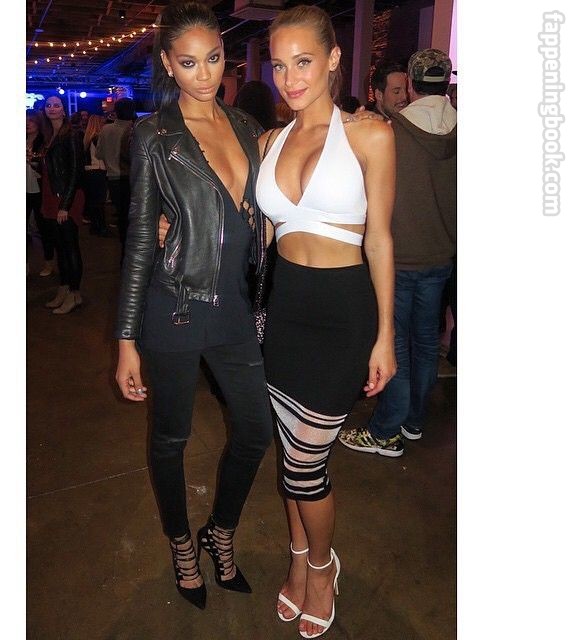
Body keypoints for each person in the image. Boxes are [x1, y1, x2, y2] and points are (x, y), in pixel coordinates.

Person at [114, 1, 273, 612]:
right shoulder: (154, 135)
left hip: (233, 308)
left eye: (213, 58)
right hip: (174, 307)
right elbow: (138, 238)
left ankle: (220, 531)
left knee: (254, 430)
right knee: (171, 437)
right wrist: (126, 339)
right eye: (189, 63)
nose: (204, 74)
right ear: (167, 64)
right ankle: (182, 543)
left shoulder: (246, 127)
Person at [256, 6, 396, 637]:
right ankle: (296, 557)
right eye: (279, 65)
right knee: (291, 454)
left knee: (305, 465)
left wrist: (386, 334)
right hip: (283, 314)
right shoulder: (269, 142)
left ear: (334, 58)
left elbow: (381, 239)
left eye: (304, 61)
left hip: (343, 315)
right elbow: (259, 235)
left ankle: (320, 565)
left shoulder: (370, 135)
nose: (290, 79)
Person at [339, 48, 456, 455]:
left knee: (395, 346)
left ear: (410, 82)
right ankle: (414, 420)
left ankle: (386, 430)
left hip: (398, 258)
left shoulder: (391, 131)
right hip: (441, 257)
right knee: (426, 343)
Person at [39, 94, 86, 314]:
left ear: (64, 109)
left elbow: (76, 171)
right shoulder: (49, 135)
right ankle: (64, 288)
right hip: (51, 195)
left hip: (66, 197)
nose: (52, 108)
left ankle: (75, 294)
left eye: (56, 105)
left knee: (70, 246)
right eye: (48, 105)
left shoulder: (72, 134)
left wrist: (65, 205)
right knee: (59, 246)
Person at [96, 97, 135, 261]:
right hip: (134, 178)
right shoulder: (136, 129)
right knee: (136, 217)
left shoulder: (106, 130)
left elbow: (99, 154)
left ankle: (125, 253)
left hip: (113, 178)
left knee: (122, 216)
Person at [26, 109, 55, 276]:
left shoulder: (44, 142)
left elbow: (48, 169)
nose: (27, 123)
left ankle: (48, 262)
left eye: (30, 120)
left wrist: (35, 163)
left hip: (38, 190)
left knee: (44, 228)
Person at [82, 114, 109, 236]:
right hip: (98, 170)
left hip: (89, 171)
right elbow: (101, 155)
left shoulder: (87, 138)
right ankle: (101, 227)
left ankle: (95, 226)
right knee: (99, 202)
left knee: (93, 201)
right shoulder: (97, 137)